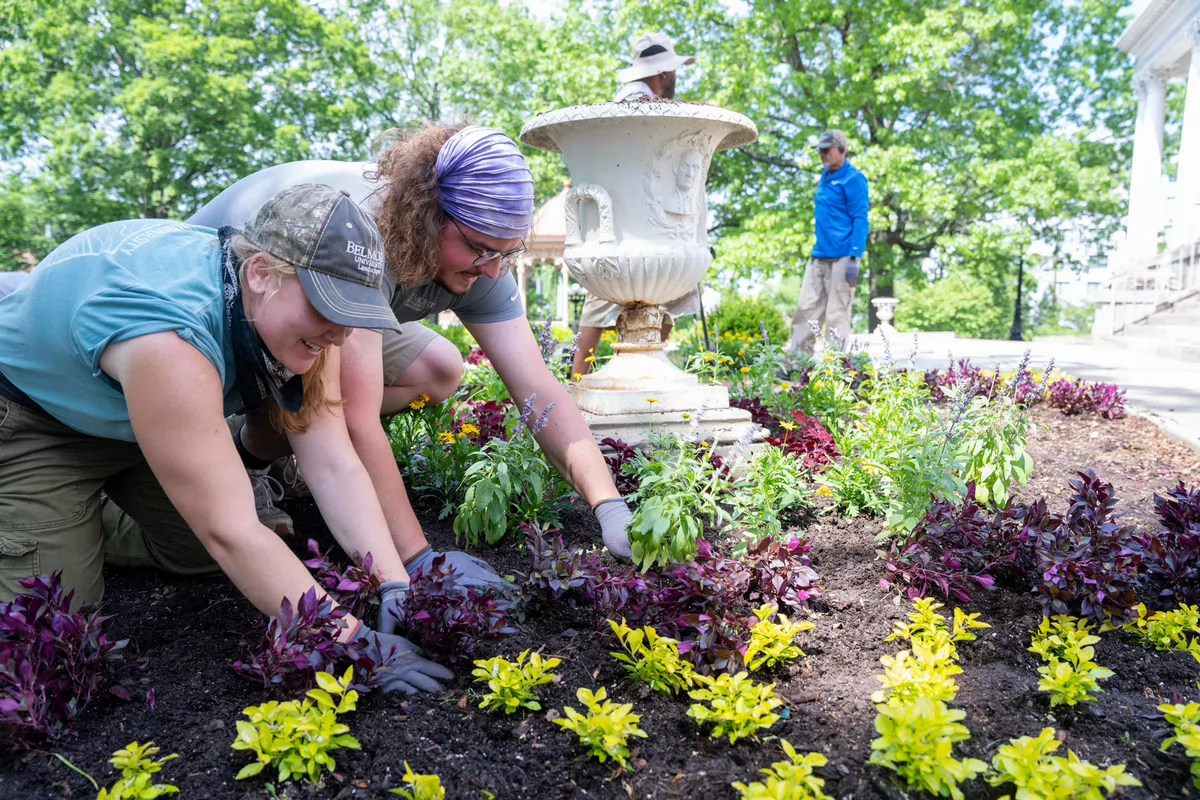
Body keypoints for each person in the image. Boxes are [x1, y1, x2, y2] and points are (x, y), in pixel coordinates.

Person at [0, 184, 454, 695]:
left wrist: (393, 582)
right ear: (260, 272)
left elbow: (333, 463)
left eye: (353, 314)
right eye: (328, 307)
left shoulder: (315, 328)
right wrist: (349, 642)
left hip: (149, 414)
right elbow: (233, 532)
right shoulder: (168, 335)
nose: (339, 335)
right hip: (38, 420)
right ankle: (57, 508)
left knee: (202, 553)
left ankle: (94, 516)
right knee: (48, 638)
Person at [185, 126, 636, 569]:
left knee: (439, 369)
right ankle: (252, 460)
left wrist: (608, 506)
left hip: (309, 317)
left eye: (508, 253)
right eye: (482, 251)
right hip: (231, 309)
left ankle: (259, 450)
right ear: (428, 218)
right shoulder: (362, 236)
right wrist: (419, 560)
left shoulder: (484, 260)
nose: (496, 271)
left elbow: (538, 390)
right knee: (328, 412)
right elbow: (357, 420)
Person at [573, 32, 701, 378]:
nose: (675, 78)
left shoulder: (622, 102)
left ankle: (579, 382)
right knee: (659, 284)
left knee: (600, 308)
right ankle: (641, 376)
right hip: (637, 225)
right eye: (673, 71)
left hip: (611, 223)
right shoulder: (641, 105)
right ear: (662, 74)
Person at [790, 129, 871, 354]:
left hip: (845, 256)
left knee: (837, 313)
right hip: (819, 255)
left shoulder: (854, 179)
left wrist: (855, 256)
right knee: (806, 309)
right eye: (820, 151)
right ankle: (798, 361)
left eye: (827, 150)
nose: (822, 154)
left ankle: (835, 365)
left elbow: (861, 219)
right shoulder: (825, 178)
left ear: (842, 150)